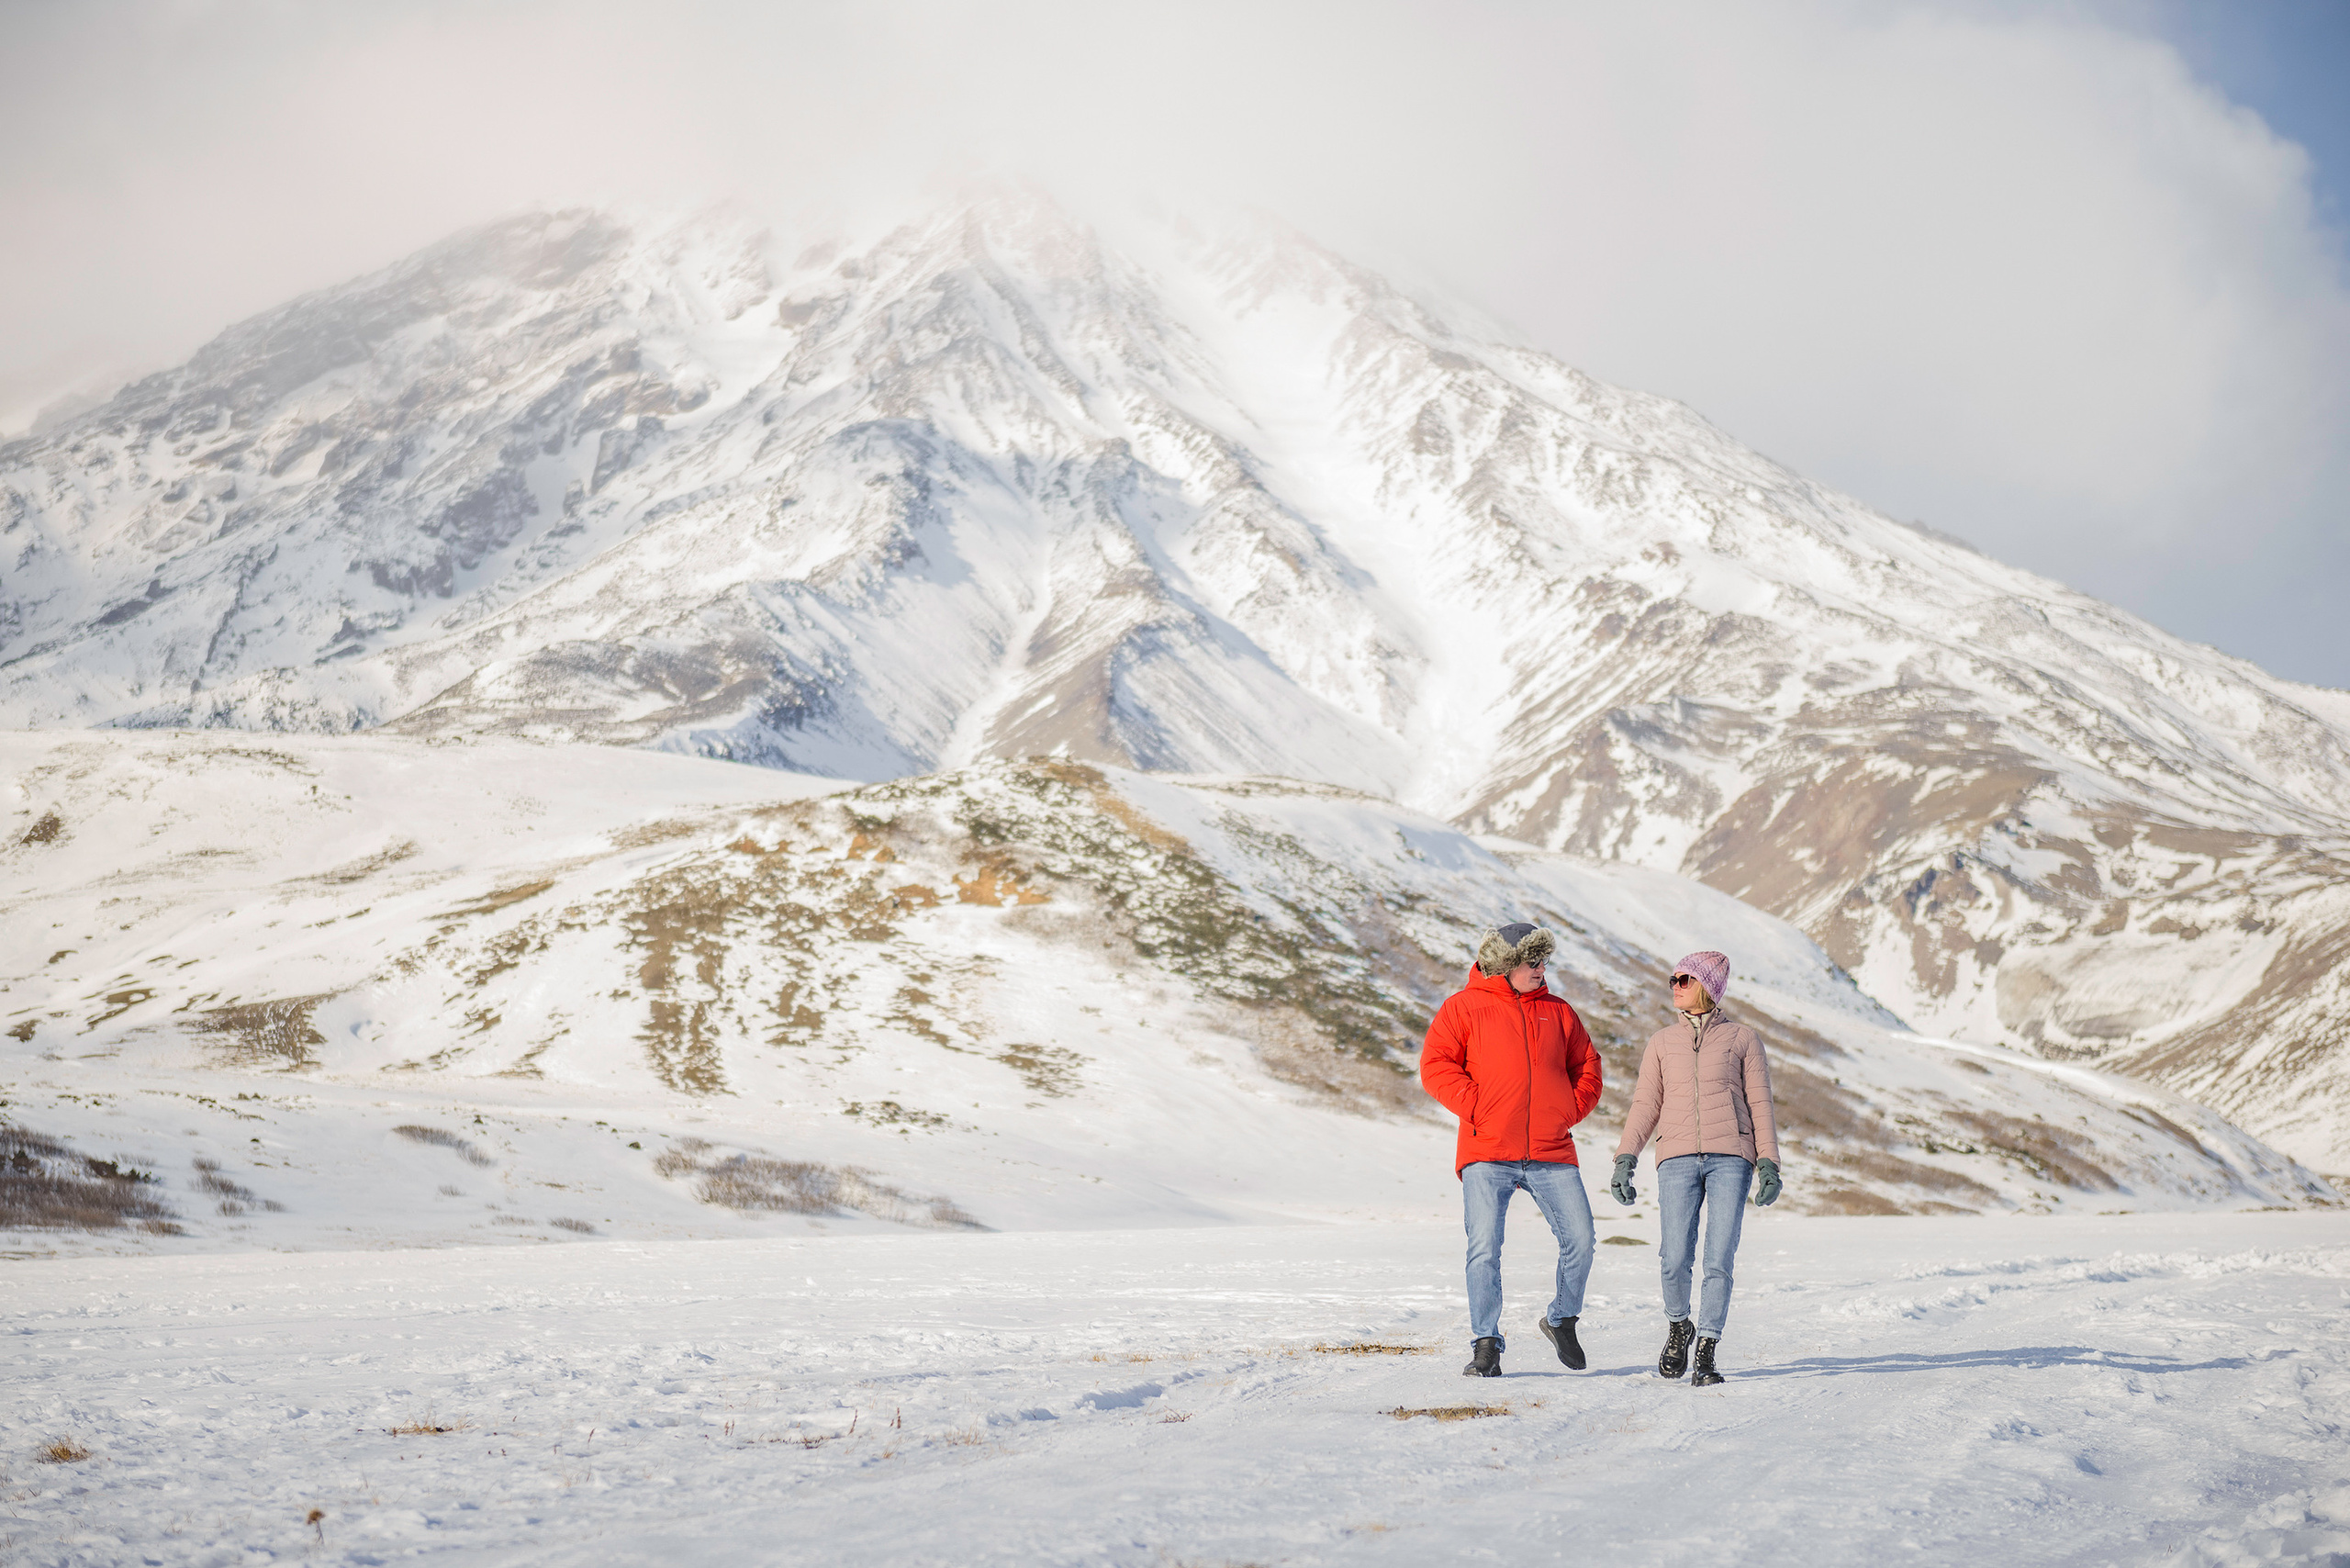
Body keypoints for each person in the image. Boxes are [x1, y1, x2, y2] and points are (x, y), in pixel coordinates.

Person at [1420, 923, 1605, 1378]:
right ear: (1506, 964)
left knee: (1580, 1239)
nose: (1542, 970)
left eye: (1545, 961)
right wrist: (1478, 1106)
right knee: (1484, 1248)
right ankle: (1486, 1343)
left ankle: (1562, 1318)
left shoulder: (1559, 1012)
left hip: (1551, 1149)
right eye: (1533, 961)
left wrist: (1566, 1110)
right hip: (1487, 1150)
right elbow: (1436, 1065)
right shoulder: (1463, 1007)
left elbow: (1588, 1066)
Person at [1609, 950, 1782, 1387]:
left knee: (1719, 1258)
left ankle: (1706, 1348)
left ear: (1706, 984)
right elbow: (1646, 1103)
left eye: (1684, 979)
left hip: (1731, 1158)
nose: (1674, 985)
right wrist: (1625, 1158)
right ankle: (1678, 1326)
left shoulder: (1744, 1039)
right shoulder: (1661, 1042)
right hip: (1677, 1157)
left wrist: (1768, 1164)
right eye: (1672, 979)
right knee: (1674, 1258)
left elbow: (1760, 1103)